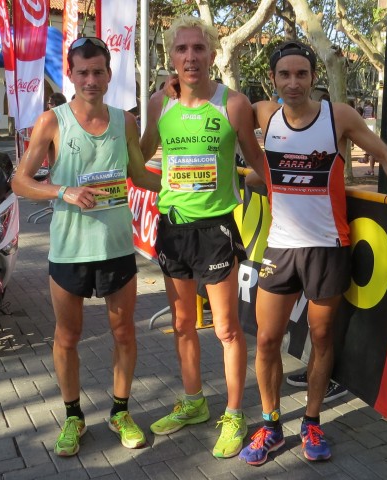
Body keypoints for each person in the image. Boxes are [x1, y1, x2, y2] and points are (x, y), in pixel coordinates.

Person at [238, 40, 387, 466]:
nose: (293, 82)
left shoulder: (340, 116)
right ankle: (271, 425)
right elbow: (225, 105)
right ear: (274, 79)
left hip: (329, 247)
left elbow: (383, 151)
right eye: (285, 75)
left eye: (301, 74)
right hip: (281, 246)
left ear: (314, 77)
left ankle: (312, 421)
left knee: (320, 337)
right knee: (265, 340)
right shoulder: (265, 114)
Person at [11, 36, 161, 457]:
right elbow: (20, 181)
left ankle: (120, 411)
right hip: (69, 250)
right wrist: (63, 192)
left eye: (99, 72)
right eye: (83, 73)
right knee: (67, 336)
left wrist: (180, 185)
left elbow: (139, 174)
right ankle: (73, 417)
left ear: (109, 75)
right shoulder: (52, 121)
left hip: (116, 246)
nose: (91, 80)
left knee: (124, 332)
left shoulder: (124, 121)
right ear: (72, 76)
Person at [139, 16, 265, 459]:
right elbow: (141, 154)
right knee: (181, 324)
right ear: (171, 57)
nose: (190, 57)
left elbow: (256, 163)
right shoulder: (160, 103)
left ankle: (234, 413)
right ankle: (193, 402)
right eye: (182, 50)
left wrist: (280, 196)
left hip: (215, 230)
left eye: (199, 49)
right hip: (173, 228)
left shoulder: (233, 104)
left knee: (227, 329)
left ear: (213, 55)